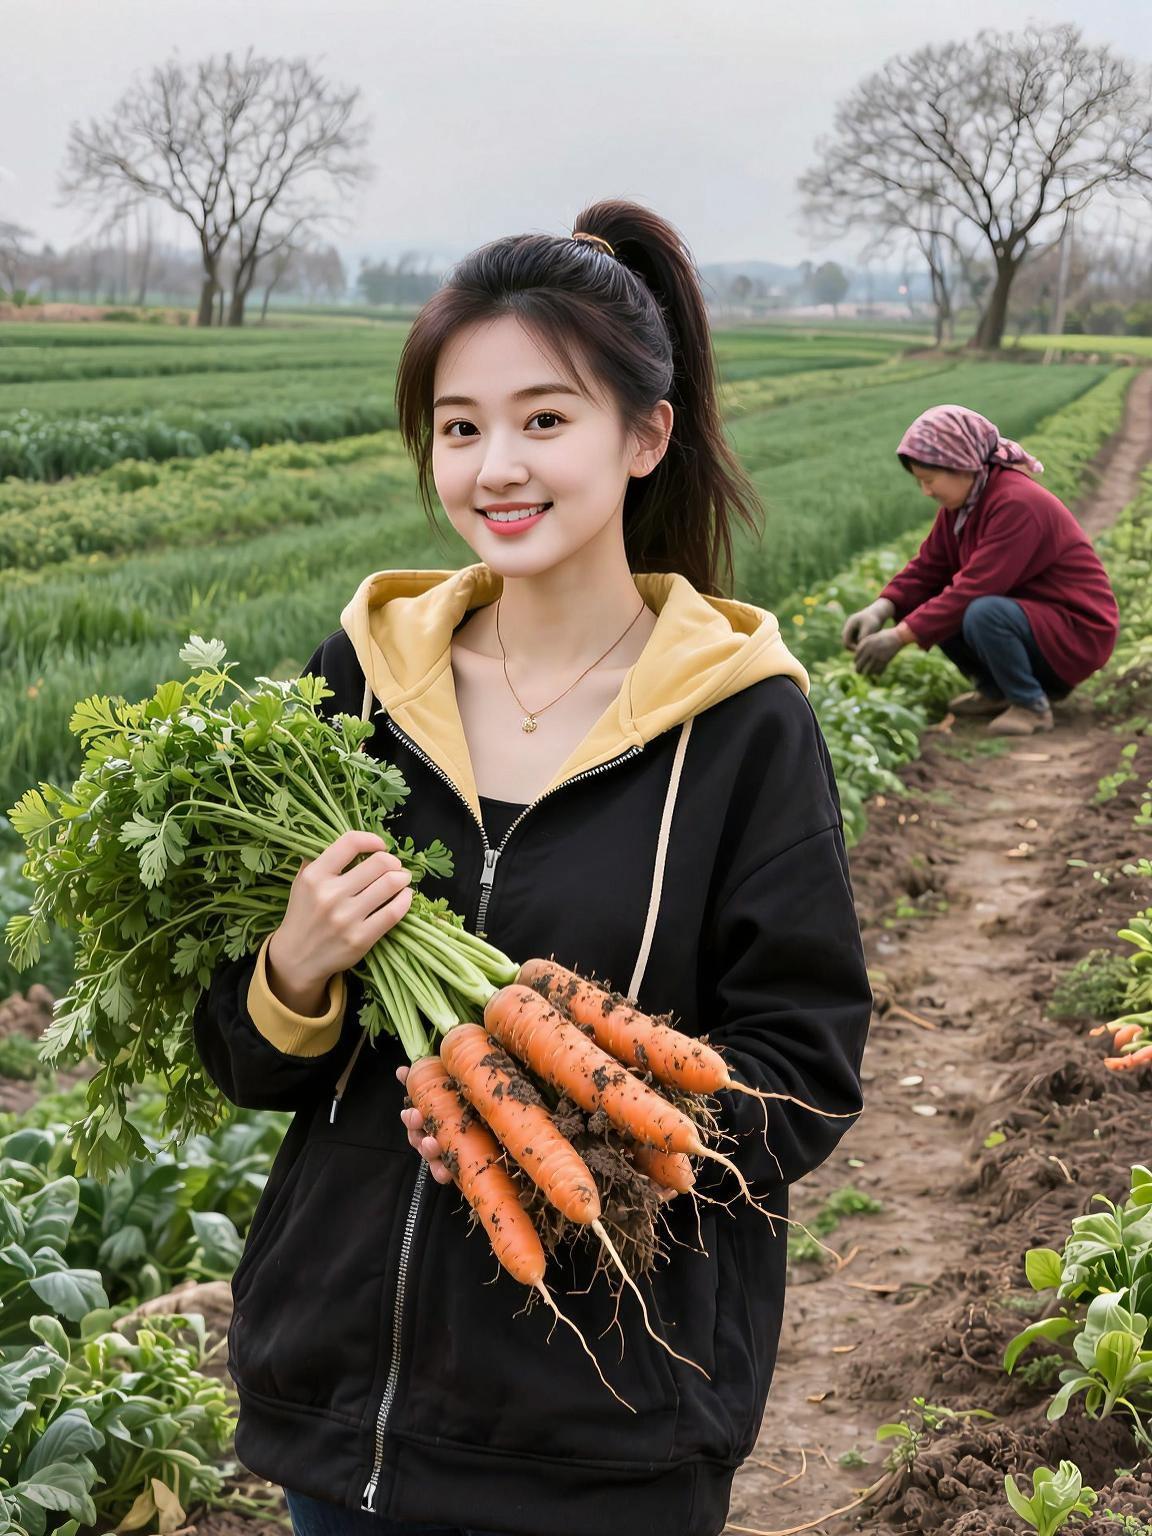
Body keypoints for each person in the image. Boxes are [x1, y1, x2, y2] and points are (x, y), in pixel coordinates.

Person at [192, 200, 872, 1536]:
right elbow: (246, 1063)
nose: (496, 466)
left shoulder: (743, 725)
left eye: (544, 419)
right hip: (350, 1414)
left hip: (607, 1426)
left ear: (645, 436)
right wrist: (293, 969)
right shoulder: (359, 686)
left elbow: (805, 1064)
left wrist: (579, 1124)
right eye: (459, 428)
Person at [841, 404, 1120, 736]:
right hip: (1035, 620)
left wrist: (898, 637)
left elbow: (977, 587)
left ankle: (1030, 705)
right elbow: (928, 567)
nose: (927, 491)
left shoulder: (1017, 503)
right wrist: (881, 607)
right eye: (920, 482)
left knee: (982, 611)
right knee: (930, 599)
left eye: (930, 480)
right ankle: (995, 690)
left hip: (1077, 633)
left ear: (962, 465)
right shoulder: (965, 505)